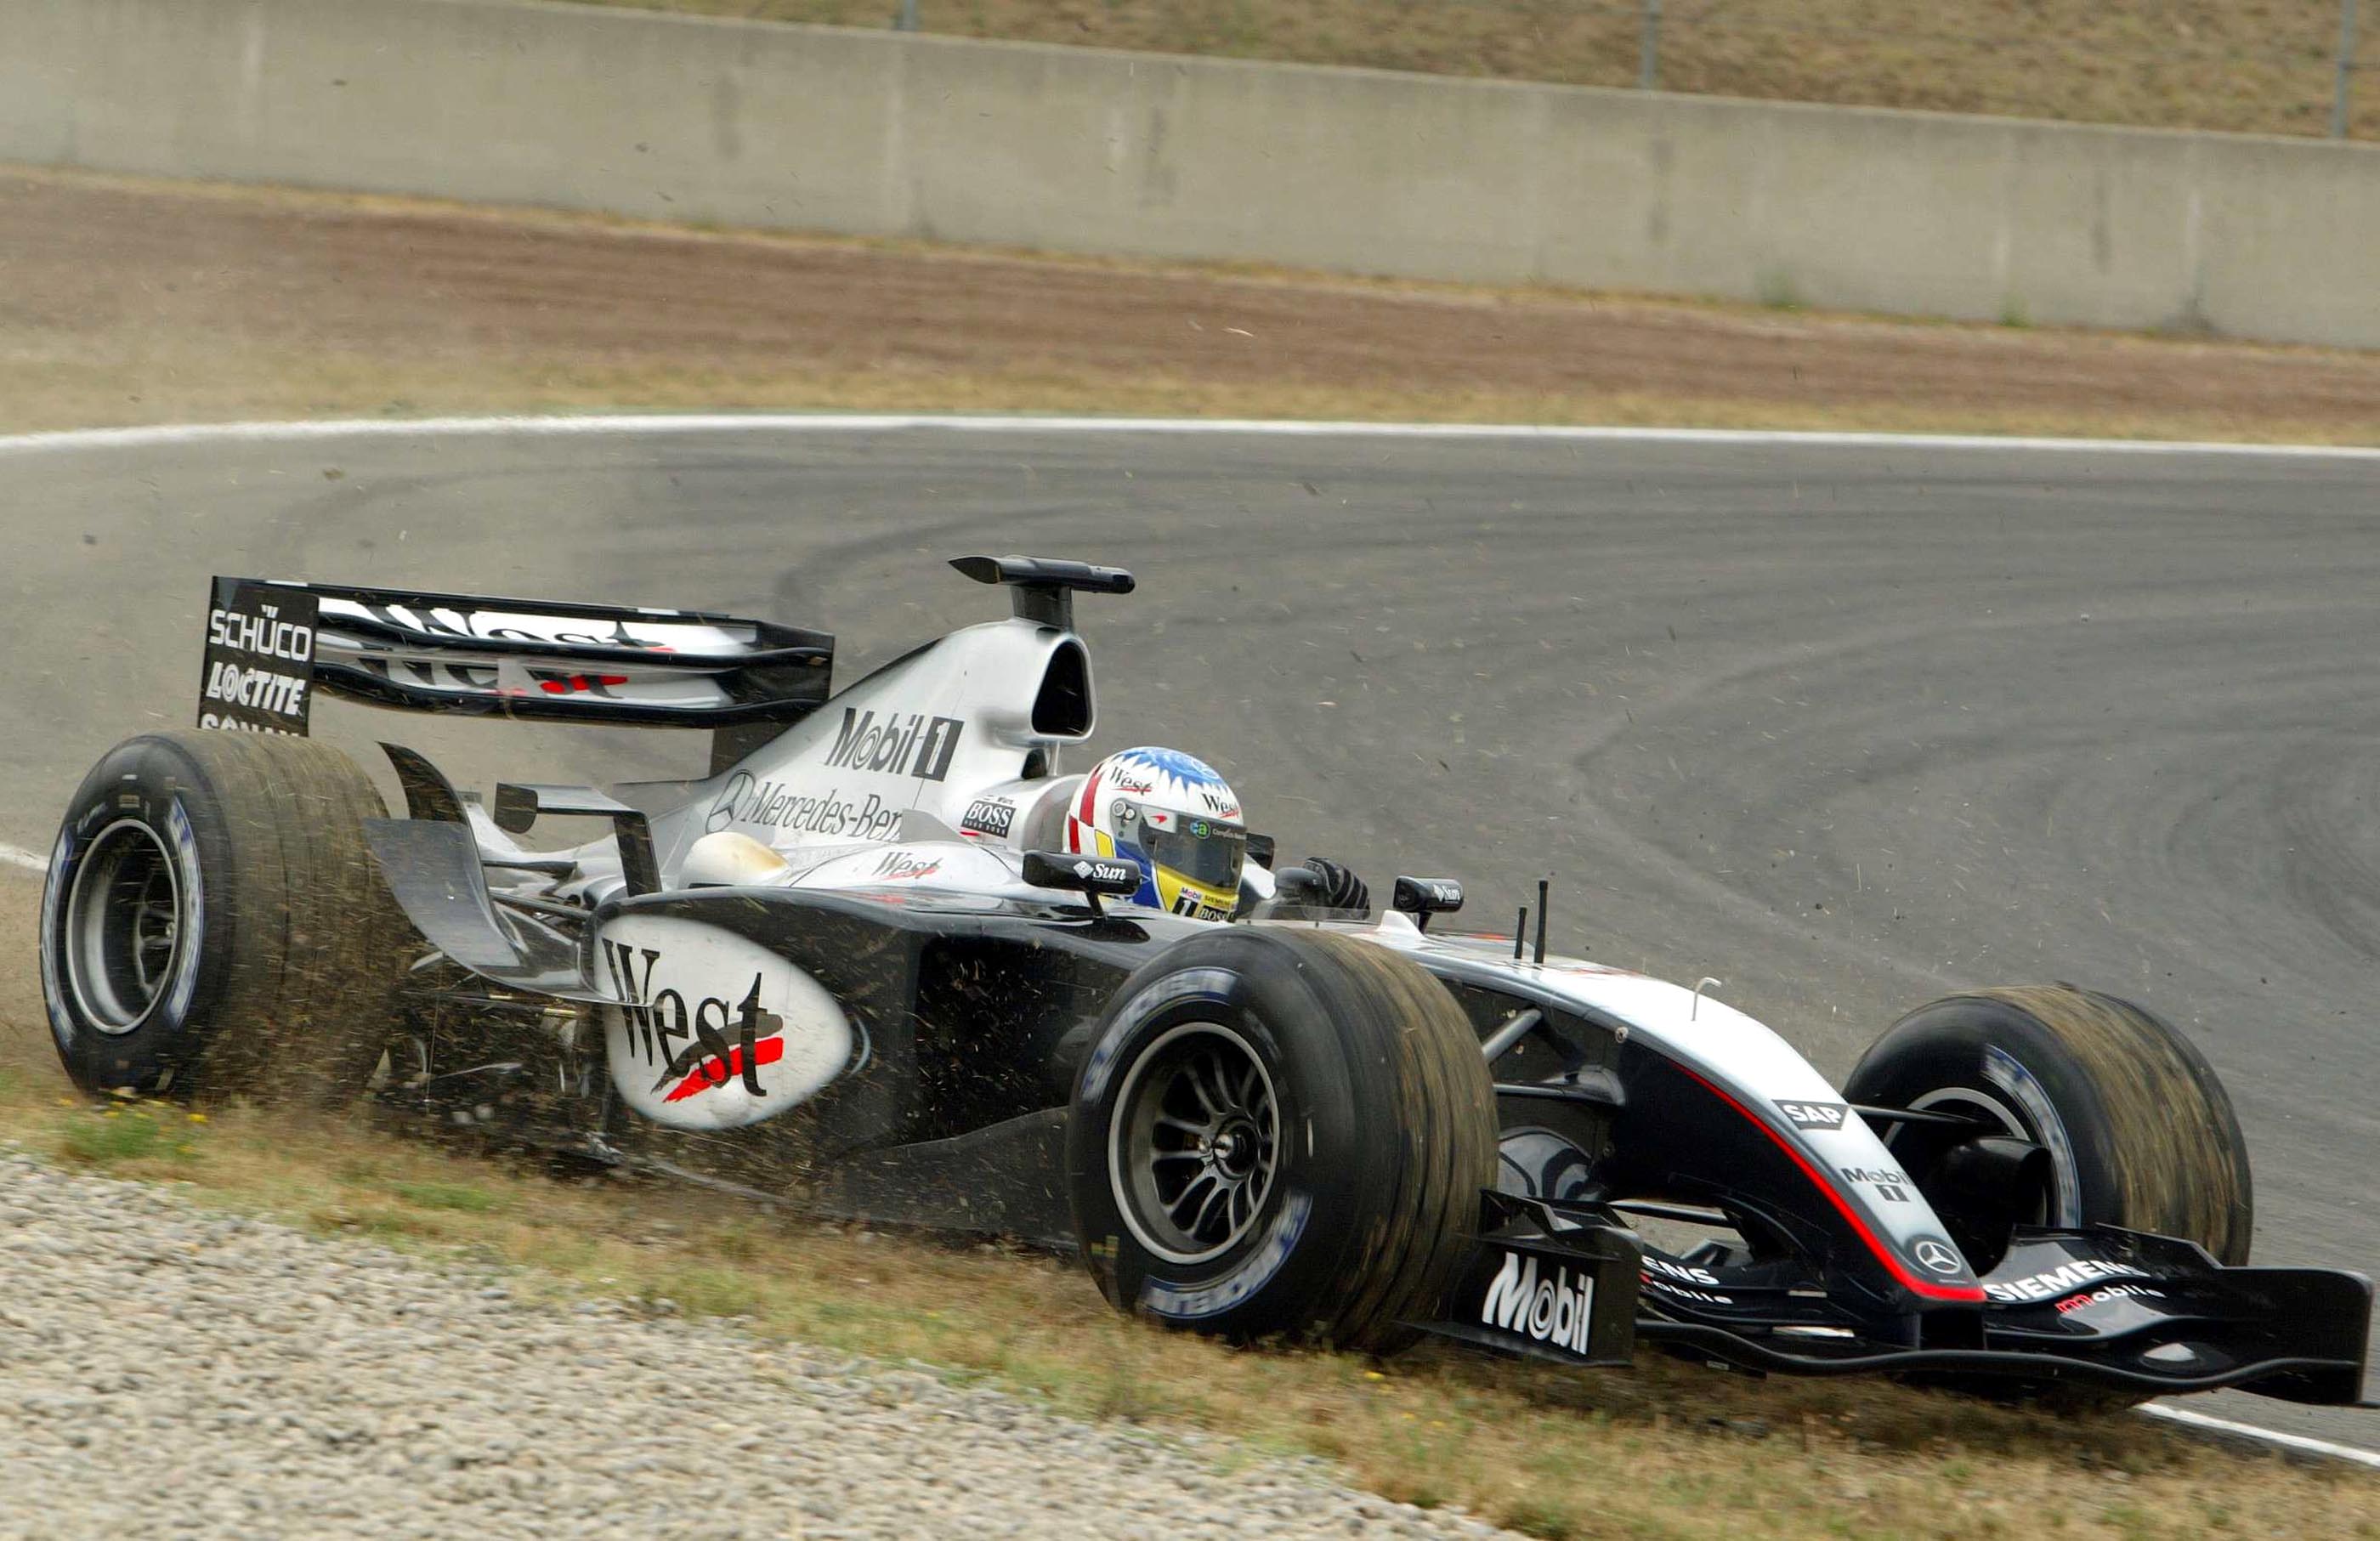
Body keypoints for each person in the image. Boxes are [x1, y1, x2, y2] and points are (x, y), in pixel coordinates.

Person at [1062, 746, 1368, 920]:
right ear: (1122, 831)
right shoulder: (1035, 923)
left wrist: (1321, 921)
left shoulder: (1237, 913)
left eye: (1219, 854)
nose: (1211, 874)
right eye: (1183, 849)